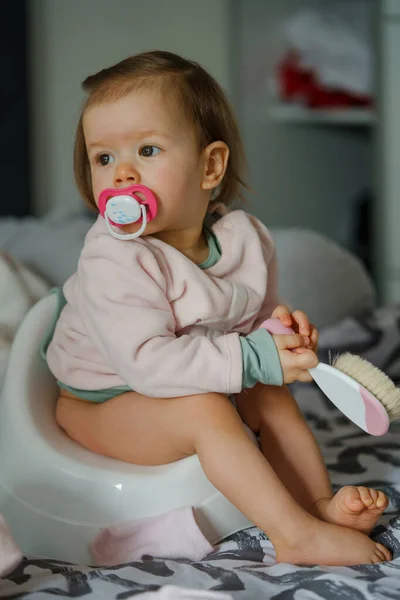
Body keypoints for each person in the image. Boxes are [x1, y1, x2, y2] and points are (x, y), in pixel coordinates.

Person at [45, 50, 391, 566]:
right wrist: (252, 356)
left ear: (210, 166)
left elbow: (250, 319)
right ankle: (292, 534)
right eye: (103, 158)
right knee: (207, 409)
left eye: (146, 149)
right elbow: (148, 363)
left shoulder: (245, 239)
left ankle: (315, 504)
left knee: (269, 390)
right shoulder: (114, 257)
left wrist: (280, 335)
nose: (121, 174)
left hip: (185, 375)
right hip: (102, 399)